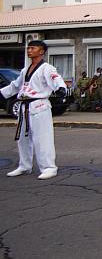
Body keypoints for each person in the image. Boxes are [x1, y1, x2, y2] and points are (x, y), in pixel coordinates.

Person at [2, 40, 67, 180]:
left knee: (42, 138)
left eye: (33, 48)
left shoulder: (47, 68)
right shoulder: (25, 69)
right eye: (28, 48)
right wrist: (2, 93)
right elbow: (15, 85)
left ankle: (49, 167)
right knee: (23, 139)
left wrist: (61, 88)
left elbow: (56, 78)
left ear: (41, 51)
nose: (29, 50)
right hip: (24, 106)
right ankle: (24, 166)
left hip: (40, 106)